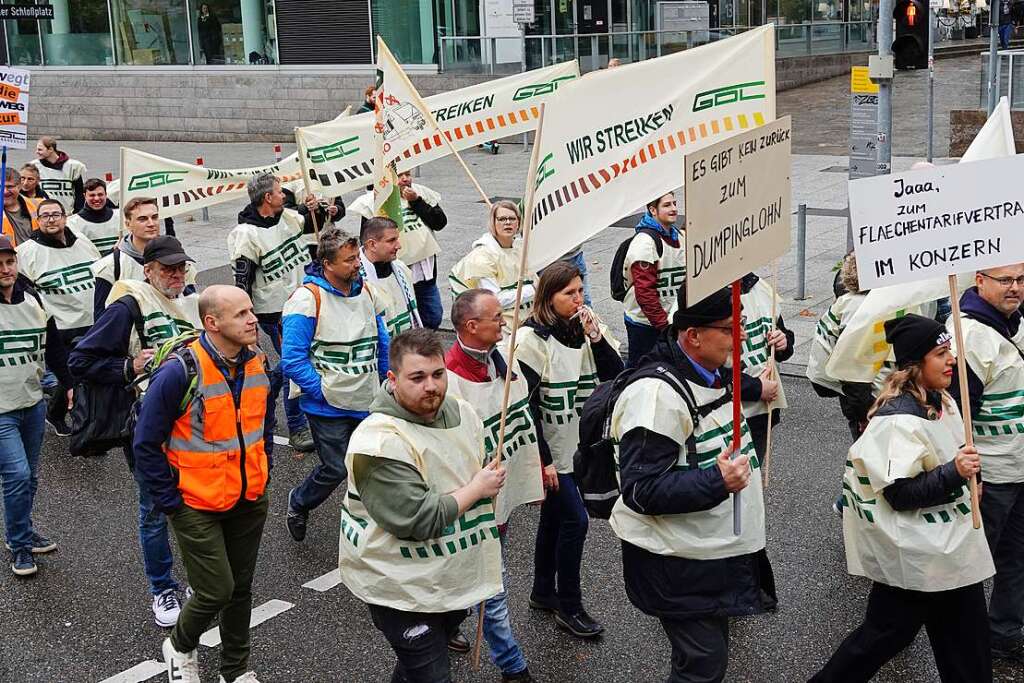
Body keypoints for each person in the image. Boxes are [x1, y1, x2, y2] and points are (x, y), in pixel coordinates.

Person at [811, 314, 993, 682]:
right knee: (881, 639)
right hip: (919, 557)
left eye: (949, 351)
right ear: (914, 364)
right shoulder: (897, 422)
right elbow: (900, 494)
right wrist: (954, 473)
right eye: (941, 354)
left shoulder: (943, 401)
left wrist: (971, 477)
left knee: (968, 648)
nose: (951, 360)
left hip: (952, 550)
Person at [610, 286, 772, 683]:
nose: (740, 338)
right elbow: (640, 490)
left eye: (742, 325)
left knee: (703, 660)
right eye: (730, 329)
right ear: (693, 335)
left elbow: (732, 386)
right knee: (702, 665)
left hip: (705, 554)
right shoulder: (656, 398)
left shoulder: (711, 371)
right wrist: (717, 481)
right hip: (674, 561)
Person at [339, 328, 505, 683]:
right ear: (392, 379)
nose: (431, 386)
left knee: (416, 671)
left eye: (438, 374)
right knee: (430, 673)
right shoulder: (379, 442)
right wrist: (477, 489)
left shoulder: (461, 411)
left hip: (448, 578)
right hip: (400, 588)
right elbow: (417, 519)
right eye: (417, 377)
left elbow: (479, 463)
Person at [131, 285, 274, 683]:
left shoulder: (257, 362)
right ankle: (179, 645)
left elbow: (264, 425)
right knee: (216, 590)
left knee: (241, 589)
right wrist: (170, 502)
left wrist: (264, 472)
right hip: (195, 502)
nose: (253, 319)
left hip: (248, 496)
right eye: (241, 314)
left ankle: (236, 672)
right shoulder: (180, 371)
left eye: (251, 311)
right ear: (212, 323)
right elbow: (145, 443)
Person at [69, 235, 201, 627]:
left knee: (195, 502)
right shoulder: (130, 303)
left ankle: (198, 579)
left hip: (193, 422)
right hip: (147, 424)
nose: (176, 275)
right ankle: (162, 589)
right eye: (168, 269)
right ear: (148, 271)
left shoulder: (190, 301)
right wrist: (129, 367)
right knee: (154, 509)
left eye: (181, 267)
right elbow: (82, 360)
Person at [516, 261, 623, 639]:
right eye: (569, 293)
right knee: (575, 521)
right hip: (551, 451)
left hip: (582, 448)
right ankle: (569, 605)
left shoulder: (588, 328)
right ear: (549, 297)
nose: (578, 299)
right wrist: (541, 460)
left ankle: (543, 591)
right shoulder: (531, 339)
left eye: (580, 291)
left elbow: (615, 376)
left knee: (555, 519)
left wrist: (597, 338)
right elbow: (523, 405)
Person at [446, 288, 543, 681]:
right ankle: (512, 665)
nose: (505, 322)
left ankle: (447, 624)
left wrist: (538, 469)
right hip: (471, 505)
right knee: (491, 582)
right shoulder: (448, 381)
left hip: (497, 500)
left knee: (468, 576)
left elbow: (526, 418)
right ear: (472, 326)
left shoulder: (503, 363)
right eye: (497, 318)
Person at [280, 227, 389, 543]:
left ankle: (373, 525)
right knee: (336, 469)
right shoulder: (306, 300)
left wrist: (386, 380)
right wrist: (323, 391)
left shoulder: (366, 291)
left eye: (356, 257)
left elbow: (380, 340)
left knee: (372, 464)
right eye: (349, 260)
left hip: (366, 399)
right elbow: (293, 360)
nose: (357, 265)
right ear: (327, 264)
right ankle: (299, 501)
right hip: (327, 407)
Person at [947, 263, 1024, 664]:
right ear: (980, 281)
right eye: (1006, 280)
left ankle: (1005, 633)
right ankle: (967, 641)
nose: (1015, 288)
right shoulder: (968, 336)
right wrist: (968, 473)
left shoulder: (1017, 324)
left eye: (1022, 280)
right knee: (974, 564)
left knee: (1017, 557)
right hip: (991, 474)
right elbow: (956, 413)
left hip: (1020, 467)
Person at [229, 173, 324, 453]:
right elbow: (242, 282)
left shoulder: (288, 218)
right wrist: (247, 324)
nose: (285, 196)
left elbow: (316, 224)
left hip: (302, 302)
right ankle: (296, 426)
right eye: (280, 192)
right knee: (296, 363)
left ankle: (265, 391)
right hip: (275, 313)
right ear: (267, 198)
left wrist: (323, 208)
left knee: (292, 363)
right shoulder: (245, 235)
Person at [0, 235, 67, 577]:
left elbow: (53, 347)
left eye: (9, 262)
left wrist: (68, 384)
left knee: (30, 478)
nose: (5, 269)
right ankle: (21, 546)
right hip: (1, 413)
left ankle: (21, 530)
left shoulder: (34, 301)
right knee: (17, 475)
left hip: (32, 404)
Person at [15, 198, 100, 436]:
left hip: (91, 320)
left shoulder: (82, 241)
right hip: (59, 326)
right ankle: (88, 431)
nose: (51, 219)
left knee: (79, 375)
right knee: (74, 374)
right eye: (45, 215)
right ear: (38, 220)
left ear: (65, 217)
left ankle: (55, 412)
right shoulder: (26, 252)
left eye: (56, 214)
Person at [350, 170, 448, 328]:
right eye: (400, 176)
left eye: (408, 174)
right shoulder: (376, 199)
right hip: (395, 270)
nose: (405, 179)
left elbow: (439, 222)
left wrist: (416, 201)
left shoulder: (422, 192)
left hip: (424, 270)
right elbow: (368, 237)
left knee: (433, 315)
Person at [92, 197, 196, 319]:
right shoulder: (111, 266)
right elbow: (101, 318)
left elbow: (190, 303)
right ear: (128, 224)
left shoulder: (178, 259)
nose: (151, 223)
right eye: (143, 219)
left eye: (155, 217)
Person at [621, 192, 686, 366]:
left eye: (674, 203)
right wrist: (665, 327)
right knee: (640, 371)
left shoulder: (679, 237)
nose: (673, 209)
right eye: (667, 205)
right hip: (645, 325)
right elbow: (645, 293)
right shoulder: (644, 243)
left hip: (669, 321)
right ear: (653, 210)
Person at [450, 200, 535, 330]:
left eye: (512, 218)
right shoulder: (481, 257)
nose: (507, 222)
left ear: (518, 222)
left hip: (526, 317)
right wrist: (534, 289)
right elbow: (495, 300)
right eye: (502, 219)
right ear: (493, 223)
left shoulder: (522, 247)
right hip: (496, 324)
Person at [737, 272, 794, 461]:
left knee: (752, 478)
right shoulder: (702, 296)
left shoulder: (758, 286)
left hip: (761, 410)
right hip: (726, 412)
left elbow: (781, 333)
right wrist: (755, 388)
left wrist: (782, 342)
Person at [360, 216, 420, 336]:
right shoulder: (355, 280)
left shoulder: (401, 268)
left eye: (397, 239)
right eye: (391, 240)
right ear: (372, 244)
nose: (399, 246)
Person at [30, 136, 86, 215]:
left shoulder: (73, 166)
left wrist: (77, 213)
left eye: (40, 149)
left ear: (51, 149)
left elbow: (79, 193)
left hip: (68, 215)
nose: (37, 152)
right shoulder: (34, 166)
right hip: (43, 215)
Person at [66, 178, 120, 258]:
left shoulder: (120, 216)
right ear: (84, 196)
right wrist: (113, 250)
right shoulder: (72, 223)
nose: (97, 198)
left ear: (106, 194)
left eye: (100, 194)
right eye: (92, 195)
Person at [2, 167, 39, 246]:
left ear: (20, 186)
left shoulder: (37, 206)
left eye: (10, 187)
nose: (5, 191)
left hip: (34, 256)